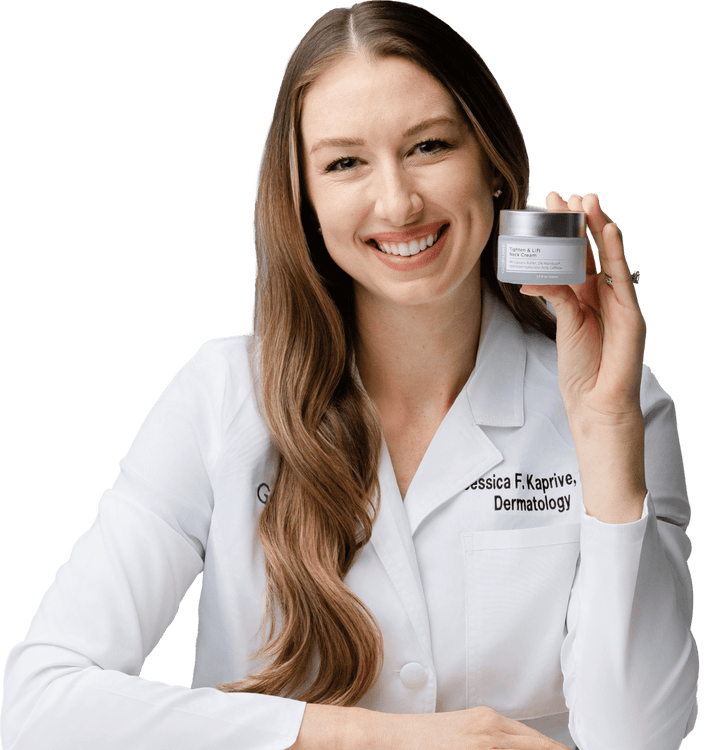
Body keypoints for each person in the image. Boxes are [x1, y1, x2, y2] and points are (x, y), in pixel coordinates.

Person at [0, 1, 699, 748]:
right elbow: (41, 707)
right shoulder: (221, 395)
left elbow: (639, 738)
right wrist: (380, 739)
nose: (397, 201)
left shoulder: (621, 404)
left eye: (429, 146)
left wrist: (605, 432)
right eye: (344, 163)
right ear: (304, 198)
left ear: (492, 164)